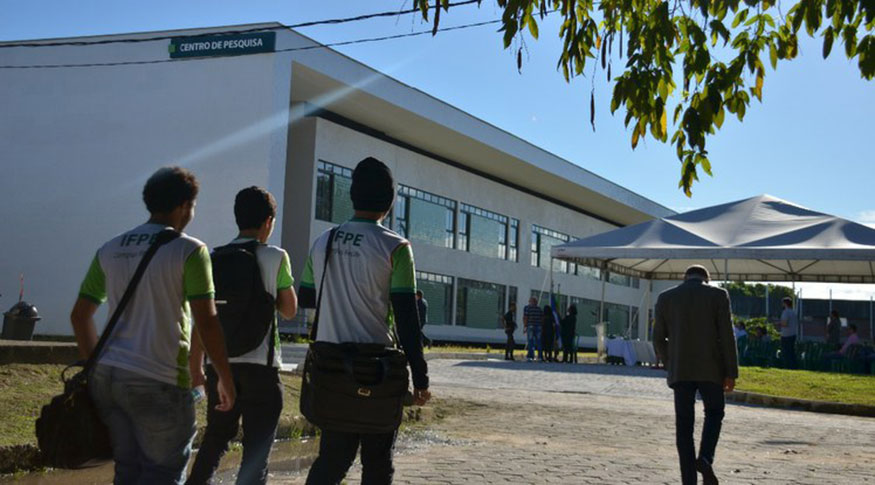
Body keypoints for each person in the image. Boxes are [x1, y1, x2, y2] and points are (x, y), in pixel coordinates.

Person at [70, 167, 235, 485]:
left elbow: (80, 315)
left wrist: (92, 369)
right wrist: (224, 378)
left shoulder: (110, 248)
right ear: (184, 205)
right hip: (158, 381)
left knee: (127, 471)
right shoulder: (190, 251)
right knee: (163, 474)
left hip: (108, 380)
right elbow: (207, 321)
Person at [299, 157, 430, 485]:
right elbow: (406, 320)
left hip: (332, 370)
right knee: (377, 464)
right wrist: (421, 377)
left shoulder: (323, 241)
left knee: (331, 461)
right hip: (378, 373)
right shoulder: (396, 247)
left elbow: (305, 297)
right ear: (391, 200)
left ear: (352, 196)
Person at [187, 187, 298, 485]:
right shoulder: (276, 256)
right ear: (268, 222)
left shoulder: (212, 259)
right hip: (261, 369)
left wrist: (196, 366)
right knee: (256, 454)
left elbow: (201, 319)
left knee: (214, 440)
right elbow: (289, 310)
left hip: (219, 367)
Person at [653, 265, 738, 485]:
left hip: (680, 370)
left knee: (684, 426)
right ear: (706, 279)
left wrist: (670, 363)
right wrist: (731, 372)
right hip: (711, 369)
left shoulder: (666, 298)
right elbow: (727, 336)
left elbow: (658, 338)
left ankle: (688, 481)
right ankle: (706, 458)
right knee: (714, 413)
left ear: (685, 277)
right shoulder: (718, 295)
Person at [778, 297, 799, 369]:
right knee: (792, 351)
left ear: (785, 304)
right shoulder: (793, 312)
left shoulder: (785, 312)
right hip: (793, 334)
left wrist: (778, 323)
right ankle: (793, 366)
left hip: (786, 335)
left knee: (785, 352)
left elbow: (784, 324)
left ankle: (787, 366)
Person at [523, 297, 543, 362]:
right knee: (539, 341)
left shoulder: (527, 308)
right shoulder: (539, 309)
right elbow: (542, 318)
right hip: (538, 326)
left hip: (530, 326)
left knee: (530, 341)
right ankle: (540, 356)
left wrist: (525, 326)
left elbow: (525, 317)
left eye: (529, 301)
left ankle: (530, 356)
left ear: (532, 302)